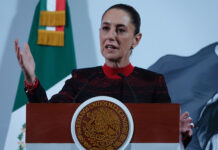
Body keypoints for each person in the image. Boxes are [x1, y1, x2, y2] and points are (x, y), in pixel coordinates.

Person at [15, 3, 193, 147]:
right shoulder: (82, 79)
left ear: (136, 40)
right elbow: (46, 117)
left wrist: (178, 133)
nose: (110, 36)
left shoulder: (153, 83)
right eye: (105, 28)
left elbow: (164, 140)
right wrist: (31, 78)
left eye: (121, 30)